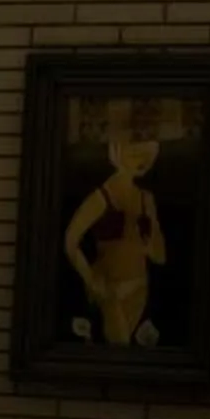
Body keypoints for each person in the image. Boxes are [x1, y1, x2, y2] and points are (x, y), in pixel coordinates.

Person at [62, 107, 169, 347]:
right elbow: (70, 241)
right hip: (111, 289)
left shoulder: (146, 199)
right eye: (134, 153)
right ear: (118, 152)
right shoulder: (101, 197)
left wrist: (149, 237)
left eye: (145, 154)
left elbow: (159, 256)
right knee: (118, 347)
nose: (140, 160)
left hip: (140, 287)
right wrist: (90, 279)